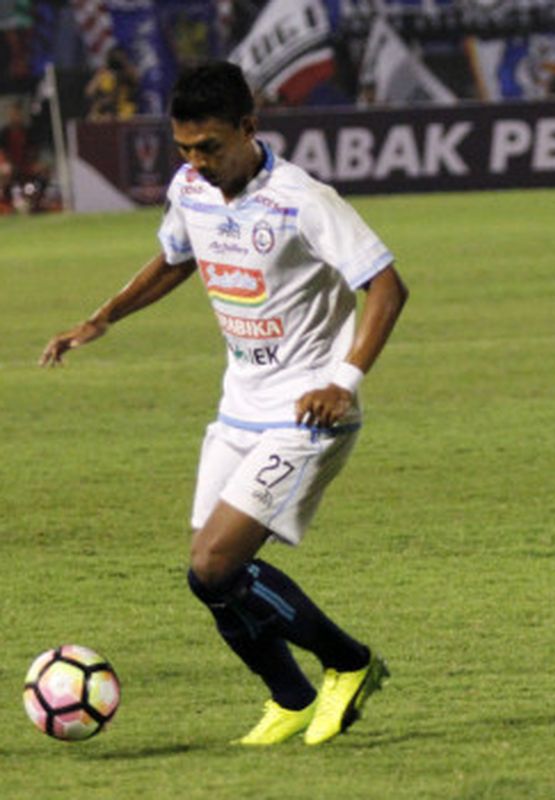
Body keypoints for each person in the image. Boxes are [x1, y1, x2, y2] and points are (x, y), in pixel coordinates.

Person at [40, 61, 407, 746]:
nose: (197, 161)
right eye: (184, 148)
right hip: (238, 407)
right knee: (207, 578)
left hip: (308, 412)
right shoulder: (192, 188)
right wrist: (103, 317)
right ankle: (291, 697)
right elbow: (178, 257)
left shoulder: (301, 199)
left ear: (248, 126)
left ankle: (349, 664)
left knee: (216, 564)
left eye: (209, 145)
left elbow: (386, 287)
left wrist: (344, 381)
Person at [85, 46, 139, 120]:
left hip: (123, 110)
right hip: (104, 110)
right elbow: (89, 92)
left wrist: (124, 66)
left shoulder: (128, 72)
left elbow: (135, 81)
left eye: (119, 57)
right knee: (93, 116)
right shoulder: (104, 74)